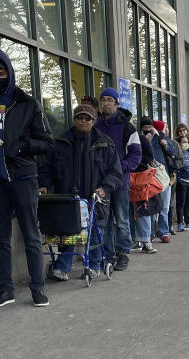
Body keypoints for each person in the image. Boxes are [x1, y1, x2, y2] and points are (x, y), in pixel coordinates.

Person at [0, 50, 53, 309]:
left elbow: (47, 142)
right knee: (1, 238)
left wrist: (21, 147)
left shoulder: (27, 103)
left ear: (9, 73)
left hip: (23, 177)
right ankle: (5, 289)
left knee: (30, 234)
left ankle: (37, 287)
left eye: (0, 74)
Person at [39, 99, 122, 279]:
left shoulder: (105, 143)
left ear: (94, 121)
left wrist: (105, 187)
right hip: (68, 196)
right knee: (67, 231)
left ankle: (93, 265)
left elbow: (115, 172)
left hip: (95, 196)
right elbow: (47, 167)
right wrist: (44, 185)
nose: (84, 121)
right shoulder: (60, 142)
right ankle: (63, 267)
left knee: (94, 231)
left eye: (88, 119)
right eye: (80, 118)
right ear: (74, 120)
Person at [95, 87, 141, 272]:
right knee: (104, 221)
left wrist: (118, 169)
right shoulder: (96, 125)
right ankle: (108, 255)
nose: (105, 103)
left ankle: (124, 253)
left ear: (116, 103)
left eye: (109, 100)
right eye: (103, 100)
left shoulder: (127, 127)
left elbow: (136, 156)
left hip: (120, 183)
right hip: (101, 184)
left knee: (122, 220)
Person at [131, 117, 158, 253]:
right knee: (136, 211)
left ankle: (145, 240)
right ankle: (139, 240)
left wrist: (137, 164)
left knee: (144, 209)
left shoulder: (141, 139)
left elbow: (150, 156)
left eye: (149, 126)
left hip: (141, 177)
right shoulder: (135, 138)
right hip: (132, 177)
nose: (147, 129)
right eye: (145, 126)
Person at [150, 119, 177, 243]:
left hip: (164, 177)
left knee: (164, 206)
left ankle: (163, 231)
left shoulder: (163, 138)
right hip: (151, 176)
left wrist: (165, 144)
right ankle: (153, 232)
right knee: (153, 207)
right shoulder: (148, 138)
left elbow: (173, 152)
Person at [175, 136, 189, 231]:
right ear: (179, 143)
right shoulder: (177, 153)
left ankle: (188, 222)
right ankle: (180, 223)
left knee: (188, 203)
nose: (186, 143)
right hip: (181, 181)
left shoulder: (188, 153)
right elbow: (178, 166)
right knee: (181, 203)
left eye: (187, 142)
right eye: (184, 142)